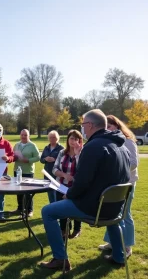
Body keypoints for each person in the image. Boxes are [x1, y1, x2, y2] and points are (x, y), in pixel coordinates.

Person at [39, 109, 130, 271]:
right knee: (112, 220)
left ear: (90, 125)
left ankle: (60, 259)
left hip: (94, 207)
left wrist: (69, 195)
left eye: (83, 124)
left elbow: (82, 182)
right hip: (115, 208)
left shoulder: (93, 146)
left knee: (48, 211)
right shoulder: (122, 146)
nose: (82, 128)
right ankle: (119, 257)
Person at [98, 115, 139, 258]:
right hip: (114, 185)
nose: (107, 130)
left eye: (110, 126)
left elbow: (134, 163)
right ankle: (112, 243)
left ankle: (127, 247)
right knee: (113, 214)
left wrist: (118, 169)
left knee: (125, 215)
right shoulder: (110, 141)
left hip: (126, 185)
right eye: (106, 127)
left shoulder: (128, 141)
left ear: (117, 126)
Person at [52, 130, 83, 239]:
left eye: (76, 139)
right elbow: (54, 169)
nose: (73, 141)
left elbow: (83, 170)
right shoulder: (62, 153)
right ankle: (64, 229)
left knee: (76, 208)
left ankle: (77, 229)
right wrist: (64, 175)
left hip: (75, 187)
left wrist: (78, 154)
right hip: (61, 186)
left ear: (79, 141)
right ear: (68, 140)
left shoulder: (82, 153)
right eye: (71, 138)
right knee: (61, 209)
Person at [12, 129, 40, 217]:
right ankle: (20, 208)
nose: (23, 137)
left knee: (28, 192)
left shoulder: (32, 145)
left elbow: (38, 157)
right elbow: (12, 155)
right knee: (18, 191)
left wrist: (28, 160)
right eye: (22, 135)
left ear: (29, 136)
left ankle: (29, 210)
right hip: (17, 170)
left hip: (28, 171)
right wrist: (14, 157)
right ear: (20, 135)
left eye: (25, 135)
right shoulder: (17, 145)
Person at [40, 130, 64, 203]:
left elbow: (64, 160)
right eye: (50, 137)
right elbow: (41, 159)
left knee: (57, 193)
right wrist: (45, 159)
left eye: (54, 137)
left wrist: (55, 160)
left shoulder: (61, 148)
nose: (52, 139)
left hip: (57, 174)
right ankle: (52, 206)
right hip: (47, 173)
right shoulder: (46, 147)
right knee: (50, 192)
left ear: (57, 138)